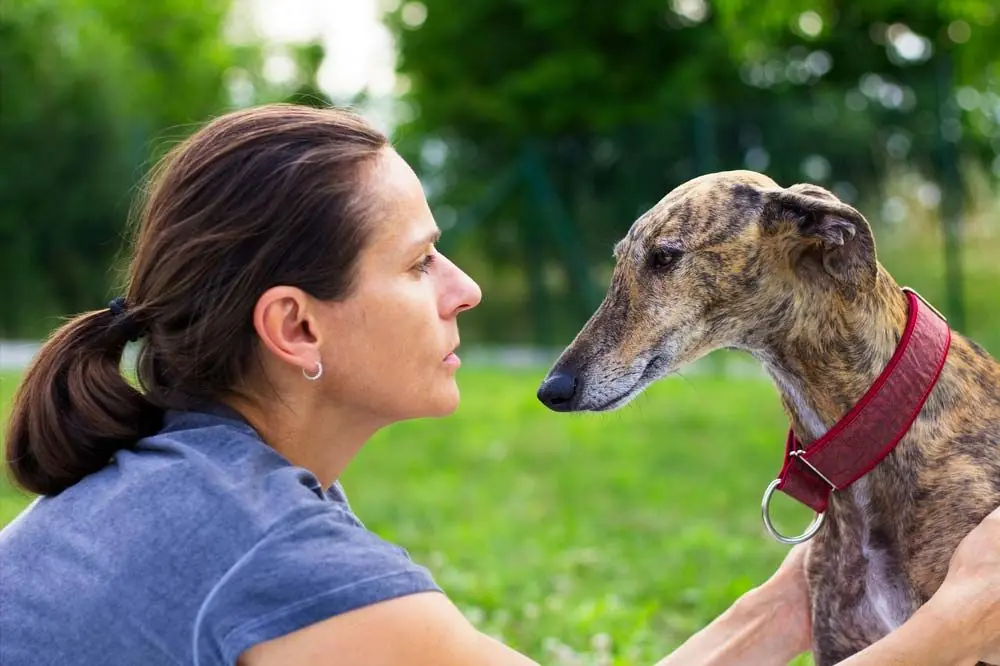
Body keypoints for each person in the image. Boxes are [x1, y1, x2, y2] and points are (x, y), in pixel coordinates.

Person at [0, 104, 997, 666]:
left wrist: (782, 606)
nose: (466, 289)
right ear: (294, 326)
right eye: (418, 262)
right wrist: (954, 626)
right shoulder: (283, 564)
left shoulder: (184, 485)